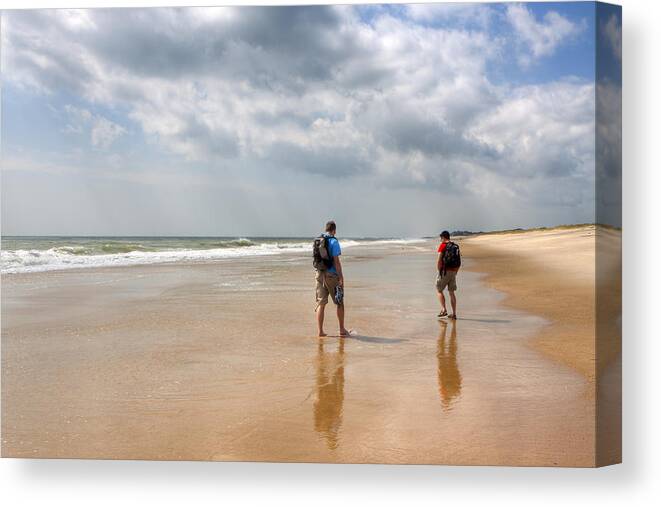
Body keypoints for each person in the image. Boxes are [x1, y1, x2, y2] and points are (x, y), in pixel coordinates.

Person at [315, 221, 350, 337]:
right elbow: (336, 262)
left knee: (321, 303)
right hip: (331, 275)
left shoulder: (318, 240)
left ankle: (320, 331)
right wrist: (341, 277)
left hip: (319, 274)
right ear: (334, 230)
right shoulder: (334, 241)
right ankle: (341, 329)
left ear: (326, 229)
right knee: (339, 302)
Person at [436, 230, 460, 319]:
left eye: (441, 238)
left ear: (443, 237)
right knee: (451, 292)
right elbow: (459, 261)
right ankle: (454, 314)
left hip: (444, 272)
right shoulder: (455, 246)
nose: (440, 240)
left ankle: (443, 309)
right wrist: (456, 272)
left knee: (439, 290)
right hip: (454, 271)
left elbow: (439, 260)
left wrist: (439, 271)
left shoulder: (443, 245)